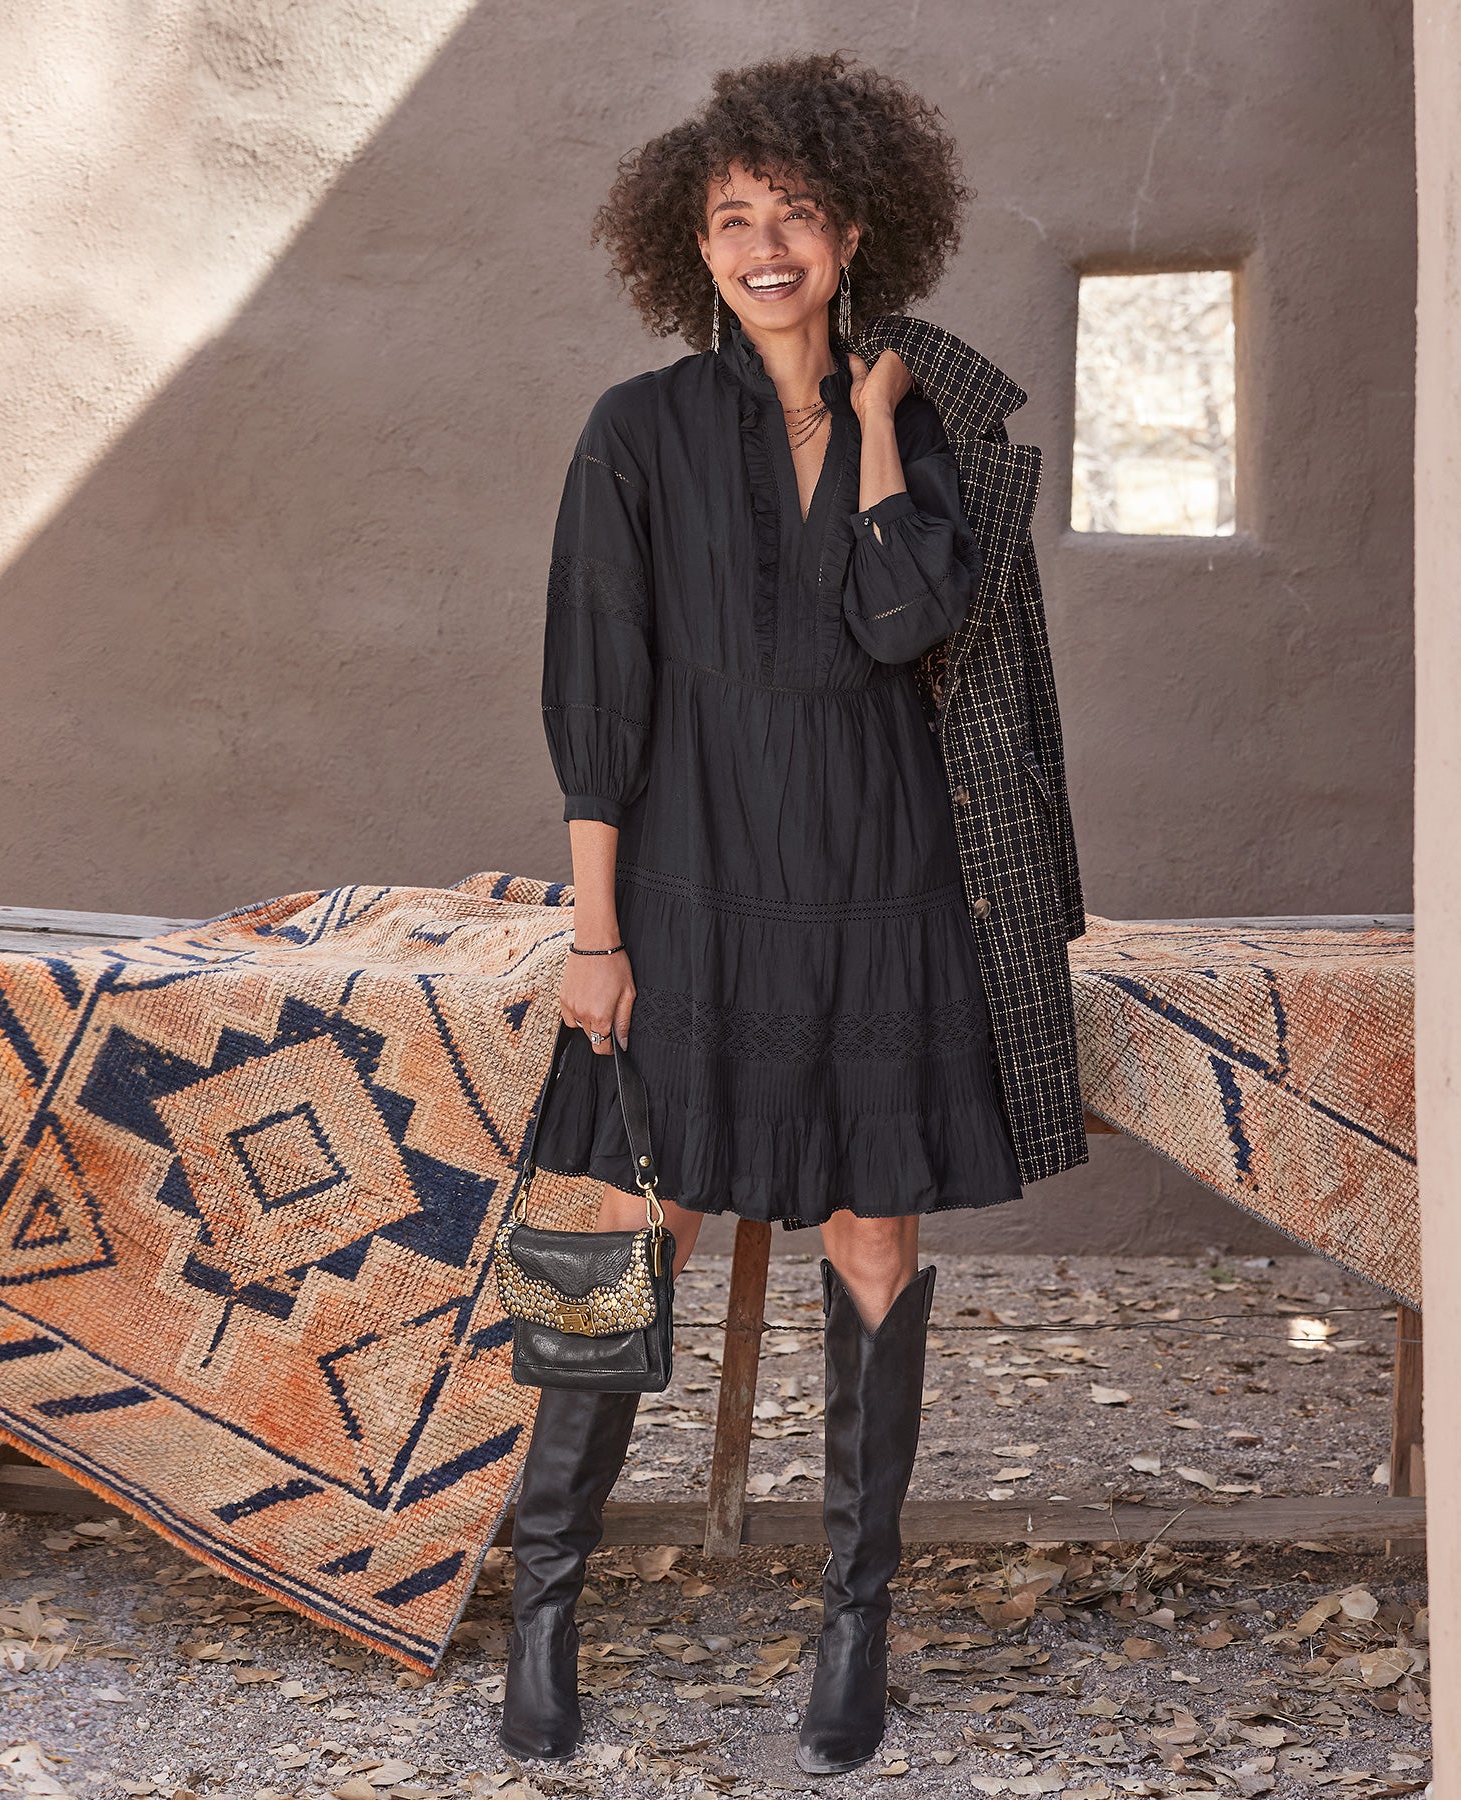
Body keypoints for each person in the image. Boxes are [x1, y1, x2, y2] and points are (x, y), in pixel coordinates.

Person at [505, 51, 1035, 1776]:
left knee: (872, 1242)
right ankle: (543, 1608)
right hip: (692, 885)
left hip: (881, 889)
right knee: (624, 1231)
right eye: (732, 218)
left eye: (794, 214)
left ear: (854, 231)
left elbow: (902, 621)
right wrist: (596, 935)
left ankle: (854, 1627)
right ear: (693, 244)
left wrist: (871, 420)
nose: (764, 246)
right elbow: (599, 693)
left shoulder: (923, 431)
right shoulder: (637, 429)